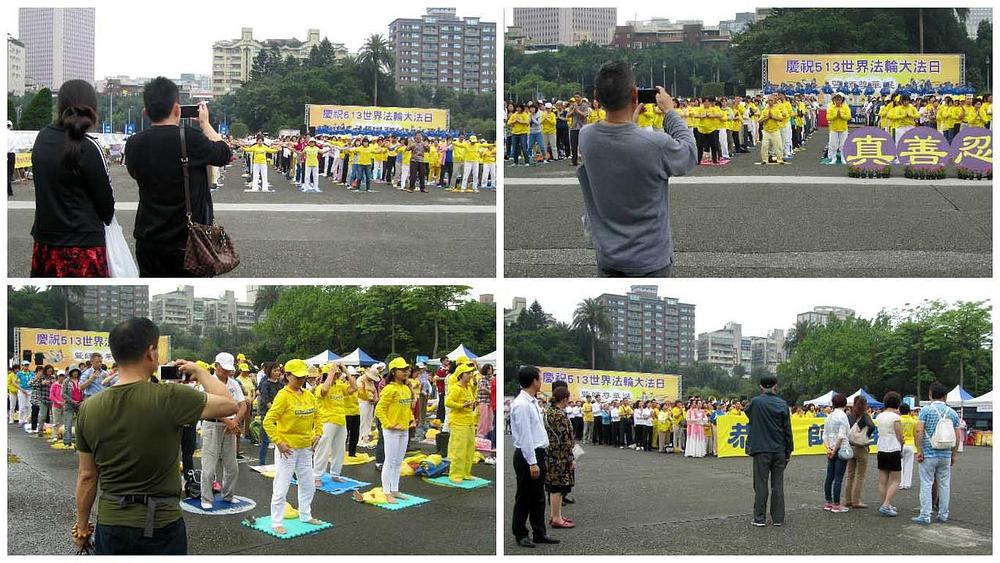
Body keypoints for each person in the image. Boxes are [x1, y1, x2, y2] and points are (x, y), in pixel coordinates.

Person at [71, 318, 238, 555]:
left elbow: (87, 477)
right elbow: (229, 404)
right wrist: (201, 372)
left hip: (112, 523)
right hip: (162, 523)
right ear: (150, 352)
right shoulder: (171, 396)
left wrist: (82, 527)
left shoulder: (89, 408)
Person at [578, 61, 698, 278]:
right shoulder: (656, 145)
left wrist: (629, 121)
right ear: (635, 95)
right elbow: (689, 153)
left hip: (608, 255)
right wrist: (670, 111)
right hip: (649, 258)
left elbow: (618, 140)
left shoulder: (586, 137)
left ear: (597, 96)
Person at [125, 77, 232, 276]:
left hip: (148, 241)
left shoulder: (133, 143)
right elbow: (224, 153)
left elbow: (134, 173)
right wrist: (205, 124)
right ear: (177, 109)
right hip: (188, 243)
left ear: (146, 113)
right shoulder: (189, 138)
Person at [29, 79, 115, 277]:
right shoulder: (90, 148)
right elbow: (107, 210)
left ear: (60, 107)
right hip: (84, 249)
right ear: (92, 110)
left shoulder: (42, 138)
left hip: (46, 246)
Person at [262, 358, 323, 534]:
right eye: (297, 377)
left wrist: (318, 433)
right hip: (287, 450)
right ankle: (276, 522)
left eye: (303, 376)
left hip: (305, 449)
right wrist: (279, 442)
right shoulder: (283, 396)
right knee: (281, 487)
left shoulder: (309, 395)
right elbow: (268, 422)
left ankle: (305, 514)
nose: (301, 380)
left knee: (308, 484)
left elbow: (318, 416)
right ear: (287, 376)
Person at [509, 365, 558, 548]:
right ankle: (520, 533)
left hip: (537, 452)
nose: (542, 382)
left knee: (538, 497)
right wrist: (532, 462)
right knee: (524, 497)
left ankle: (539, 532)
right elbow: (525, 436)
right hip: (527, 455)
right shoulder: (521, 405)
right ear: (533, 381)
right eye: (540, 378)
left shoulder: (532, 401)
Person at [199, 352, 246, 510]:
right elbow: (209, 407)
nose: (226, 372)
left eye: (229, 369)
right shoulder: (207, 383)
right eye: (224, 368)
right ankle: (206, 497)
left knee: (232, 465)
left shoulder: (233, 383)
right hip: (213, 425)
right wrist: (229, 421)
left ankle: (228, 494)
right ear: (216, 365)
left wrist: (235, 422)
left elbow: (243, 405)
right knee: (209, 465)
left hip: (229, 427)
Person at [745, 375, 793, 527]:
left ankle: (759, 518)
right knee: (777, 484)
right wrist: (789, 450)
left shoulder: (755, 402)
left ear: (760, 387)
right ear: (775, 386)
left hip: (761, 449)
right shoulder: (782, 404)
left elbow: (748, 413)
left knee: (760, 483)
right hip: (779, 449)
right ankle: (778, 518)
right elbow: (787, 430)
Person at [913, 383, 960, 525]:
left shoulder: (925, 410)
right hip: (945, 454)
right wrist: (954, 454)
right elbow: (958, 436)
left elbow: (919, 431)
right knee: (944, 484)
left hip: (928, 452)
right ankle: (943, 514)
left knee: (926, 483)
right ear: (945, 396)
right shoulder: (952, 413)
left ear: (930, 395)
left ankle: (925, 514)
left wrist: (919, 450)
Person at [374, 358, 416, 503]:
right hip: (392, 430)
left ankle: (395, 489)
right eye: (402, 370)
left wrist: (411, 419)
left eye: (407, 370)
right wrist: (389, 424)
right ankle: (386, 492)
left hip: (404, 429)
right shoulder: (389, 389)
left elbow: (407, 407)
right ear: (393, 372)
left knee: (398, 461)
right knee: (390, 461)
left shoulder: (405, 388)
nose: (406, 372)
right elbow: (379, 409)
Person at [313, 363, 357, 484]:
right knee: (323, 449)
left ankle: (335, 474)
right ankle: (316, 476)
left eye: (338, 374)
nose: (337, 376)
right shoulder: (320, 386)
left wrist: (345, 371)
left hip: (340, 420)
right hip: (326, 421)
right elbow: (324, 390)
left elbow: (354, 387)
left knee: (339, 449)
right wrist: (331, 373)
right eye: (335, 374)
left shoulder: (340, 386)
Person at [544, 387, 575, 529]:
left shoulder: (549, 412)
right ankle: (556, 518)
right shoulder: (559, 415)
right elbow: (565, 439)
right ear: (564, 399)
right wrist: (571, 457)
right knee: (558, 487)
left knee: (554, 486)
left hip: (551, 452)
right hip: (560, 455)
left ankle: (555, 515)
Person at [445, 362, 477, 483]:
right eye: (467, 373)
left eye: (470, 373)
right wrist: (461, 405)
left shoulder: (468, 388)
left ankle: (466, 473)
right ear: (460, 375)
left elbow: (471, 400)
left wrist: (472, 403)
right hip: (458, 422)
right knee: (458, 449)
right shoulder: (456, 388)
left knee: (469, 448)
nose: (470, 375)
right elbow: (448, 402)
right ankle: (455, 475)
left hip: (469, 421)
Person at [875, 391, 904, 517]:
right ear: (897, 403)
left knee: (883, 480)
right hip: (893, 448)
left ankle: (885, 503)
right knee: (896, 479)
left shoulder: (879, 416)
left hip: (881, 448)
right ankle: (886, 504)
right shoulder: (896, 418)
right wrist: (902, 444)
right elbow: (899, 435)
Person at [843, 395, 875, 509]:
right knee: (860, 475)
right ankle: (856, 500)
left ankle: (848, 499)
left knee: (850, 474)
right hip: (861, 448)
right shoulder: (865, 416)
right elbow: (872, 426)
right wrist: (866, 436)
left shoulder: (849, 416)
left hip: (850, 447)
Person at [822, 393, 851, 513]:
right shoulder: (843, 416)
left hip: (830, 448)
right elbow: (841, 436)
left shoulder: (829, 416)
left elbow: (824, 435)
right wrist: (835, 450)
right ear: (844, 404)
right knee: (838, 478)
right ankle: (837, 504)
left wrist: (829, 448)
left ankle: (828, 502)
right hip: (840, 448)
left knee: (829, 476)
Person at [256, 362, 284, 465]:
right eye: (275, 370)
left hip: (279, 415)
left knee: (281, 439)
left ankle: (282, 462)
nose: (277, 372)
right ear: (269, 371)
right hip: (268, 414)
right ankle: (261, 462)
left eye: (278, 370)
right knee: (265, 440)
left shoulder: (281, 384)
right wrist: (276, 411)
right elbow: (266, 401)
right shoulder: (265, 384)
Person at [826, 92, 851, 163]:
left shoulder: (846, 107)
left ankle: (843, 158)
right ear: (834, 100)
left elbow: (849, 117)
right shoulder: (831, 107)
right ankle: (834, 158)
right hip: (834, 129)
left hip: (843, 129)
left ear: (842, 100)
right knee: (834, 144)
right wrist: (835, 116)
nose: (838, 101)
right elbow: (828, 117)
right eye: (837, 99)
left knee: (843, 144)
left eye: (840, 99)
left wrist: (841, 116)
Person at [899, 403, 917, 490]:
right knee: (909, 464)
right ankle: (907, 483)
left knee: (900, 464)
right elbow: (915, 434)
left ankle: (900, 482)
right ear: (909, 411)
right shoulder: (913, 421)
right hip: (910, 444)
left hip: (900, 444)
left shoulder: (898, 420)